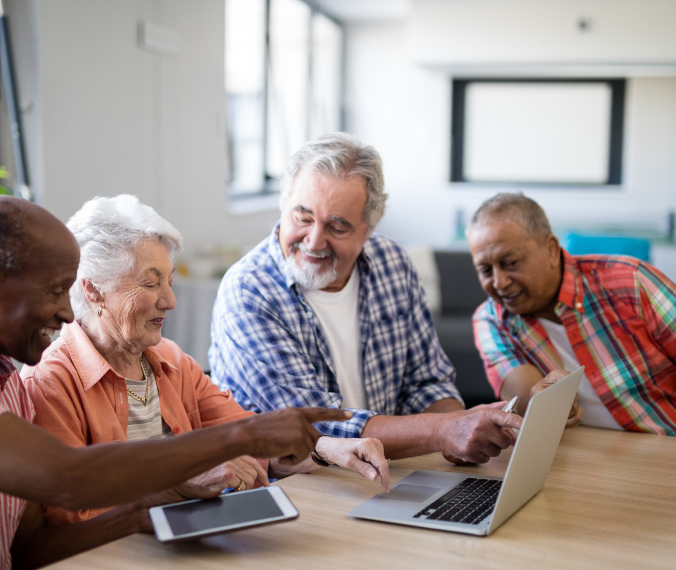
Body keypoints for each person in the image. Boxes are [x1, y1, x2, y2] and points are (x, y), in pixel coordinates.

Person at [0, 195, 353, 570]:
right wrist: (242, 435)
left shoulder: (3, 384)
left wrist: (140, 514)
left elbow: (28, 552)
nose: (67, 313)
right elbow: (67, 479)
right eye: (55, 291)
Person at [21, 194, 389, 526]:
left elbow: (250, 436)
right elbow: (69, 517)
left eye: (169, 282)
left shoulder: (171, 361)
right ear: (93, 288)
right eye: (150, 284)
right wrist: (179, 481)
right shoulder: (50, 382)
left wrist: (329, 448)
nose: (170, 301)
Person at [209, 132, 523, 464]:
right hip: (294, 486)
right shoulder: (249, 292)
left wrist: (460, 433)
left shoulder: (393, 263)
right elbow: (315, 425)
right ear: (283, 206)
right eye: (302, 218)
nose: (314, 241)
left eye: (337, 227)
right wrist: (443, 430)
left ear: (368, 230)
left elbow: (426, 382)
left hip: (384, 473)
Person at [467, 192, 676, 435]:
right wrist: (544, 401)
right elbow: (527, 404)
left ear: (552, 250)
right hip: (581, 456)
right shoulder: (492, 320)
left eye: (511, 263)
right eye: (485, 270)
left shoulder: (631, 281)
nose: (499, 282)